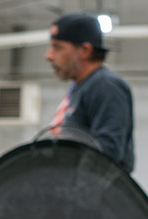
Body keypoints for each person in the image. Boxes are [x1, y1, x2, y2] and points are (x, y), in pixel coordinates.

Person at [43, 12, 135, 174]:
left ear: (85, 51)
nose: (49, 56)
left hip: (96, 196)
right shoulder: (81, 88)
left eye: (58, 47)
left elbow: (108, 155)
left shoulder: (104, 86)